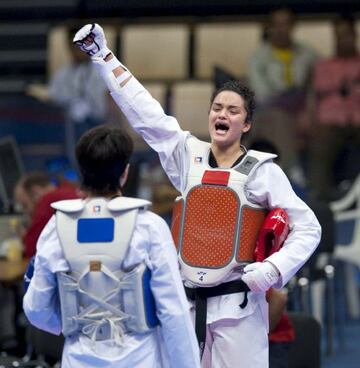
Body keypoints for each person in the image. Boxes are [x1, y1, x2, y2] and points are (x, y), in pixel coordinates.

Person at [73, 24, 321, 368]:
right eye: (217, 107)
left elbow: (308, 227)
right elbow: (145, 113)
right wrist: (103, 57)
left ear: (246, 124)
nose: (223, 114)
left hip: (239, 309)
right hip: (186, 307)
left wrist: (273, 269)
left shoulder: (263, 172)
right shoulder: (186, 155)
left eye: (233, 111)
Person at [23, 124, 200, 368]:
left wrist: (72, 326)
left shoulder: (56, 227)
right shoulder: (148, 226)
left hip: (78, 359)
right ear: (125, 173)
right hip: (140, 359)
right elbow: (174, 313)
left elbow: (36, 309)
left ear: (82, 171)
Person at [248, 7, 318, 172]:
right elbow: (262, 96)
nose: (281, 29)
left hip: (304, 112)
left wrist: (308, 110)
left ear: (293, 26)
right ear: (269, 27)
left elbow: (319, 85)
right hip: (272, 112)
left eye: (285, 24)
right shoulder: (258, 57)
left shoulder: (308, 54)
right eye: (277, 24)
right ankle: (290, 172)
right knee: (279, 120)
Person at [307, 14, 360, 200]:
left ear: (354, 36)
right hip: (331, 123)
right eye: (338, 36)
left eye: (346, 35)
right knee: (320, 147)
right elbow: (318, 94)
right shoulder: (324, 66)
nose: (342, 40)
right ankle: (318, 203)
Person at [14, 172, 79, 258]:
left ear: (36, 192)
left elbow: (32, 249)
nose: (27, 212)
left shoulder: (50, 199)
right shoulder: (74, 191)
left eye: (25, 205)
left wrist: (25, 235)